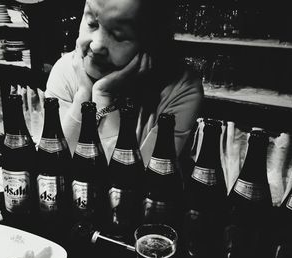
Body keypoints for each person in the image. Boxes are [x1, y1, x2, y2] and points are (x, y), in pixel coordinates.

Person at [45, 0, 203, 166]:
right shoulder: (67, 69)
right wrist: (83, 95)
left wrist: (103, 96)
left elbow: (134, 184)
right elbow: (55, 166)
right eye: (92, 23)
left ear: (152, 42)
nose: (97, 45)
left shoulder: (182, 90)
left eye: (118, 35)